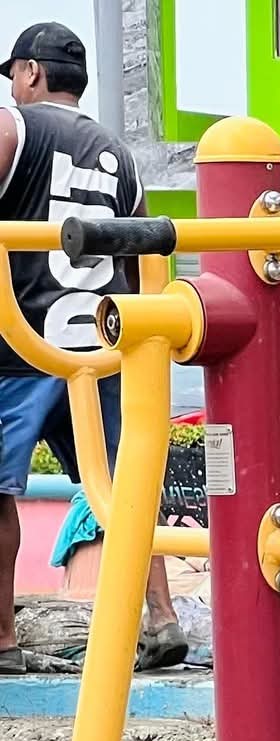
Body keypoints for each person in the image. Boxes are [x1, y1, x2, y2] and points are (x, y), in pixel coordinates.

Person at [0, 21, 185, 675]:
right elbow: (138, 259)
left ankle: (2, 640)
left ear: (31, 72)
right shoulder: (118, 156)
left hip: (20, 347)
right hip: (101, 346)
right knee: (125, 488)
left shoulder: (14, 127)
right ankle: (161, 615)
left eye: (13, 75)